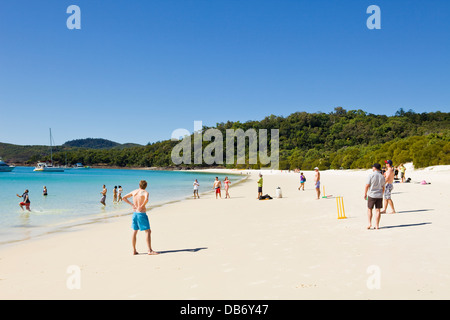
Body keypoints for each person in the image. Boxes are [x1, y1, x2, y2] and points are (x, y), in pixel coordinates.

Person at [123, 180, 158, 255]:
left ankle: (134, 250)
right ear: (146, 186)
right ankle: (149, 250)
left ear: (139, 185)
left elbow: (124, 198)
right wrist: (141, 206)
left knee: (135, 231)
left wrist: (132, 205)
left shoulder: (134, 191)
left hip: (135, 213)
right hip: (141, 213)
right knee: (148, 231)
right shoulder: (145, 192)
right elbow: (146, 199)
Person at [364, 163, 385, 230]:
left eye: (373, 167)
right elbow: (383, 187)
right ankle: (377, 225)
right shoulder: (382, 176)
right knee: (378, 210)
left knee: (370, 209)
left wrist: (365, 194)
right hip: (379, 195)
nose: (372, 168)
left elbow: (367, 185)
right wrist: (382, 193)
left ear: (375, 168)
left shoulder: (371, 175)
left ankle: (369, 223)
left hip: (372, 194)